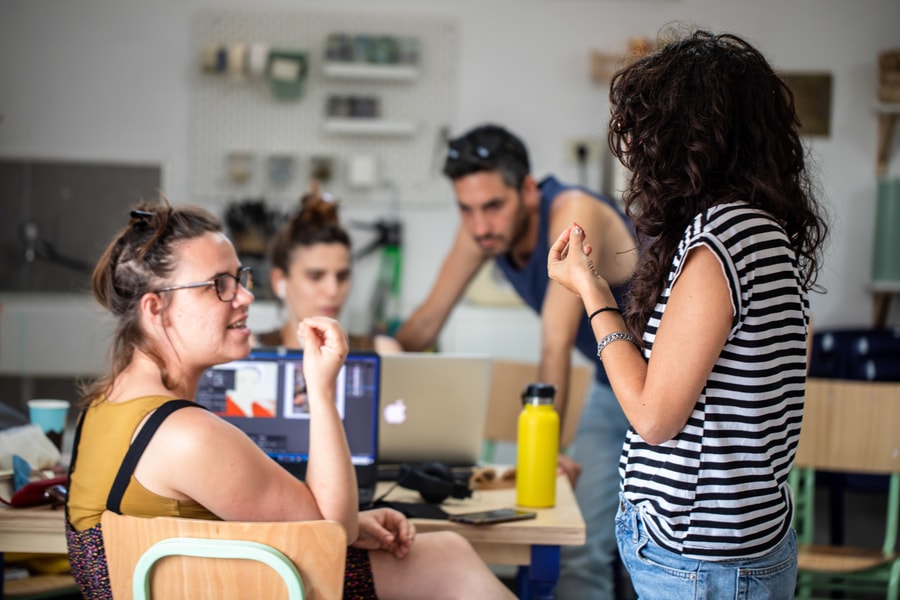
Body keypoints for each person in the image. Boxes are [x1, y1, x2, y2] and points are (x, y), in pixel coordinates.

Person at [64, 200, 515, 600]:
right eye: (218, 284)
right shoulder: (185, 435)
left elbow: (189, 527)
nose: (244, 296)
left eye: (240, 277)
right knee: (447, 557)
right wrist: (319, 389)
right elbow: (328, 536)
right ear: (155, 309)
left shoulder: (103, 407)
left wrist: (353, 524)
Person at [547, 28, 828, 599]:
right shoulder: (767, 233)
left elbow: (653, 417)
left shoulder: (722, 238)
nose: (636, 154)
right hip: (741, 546)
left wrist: (592, 291)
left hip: (702, 560)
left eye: (645, 133)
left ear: (685, 139)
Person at [394, 124, 638, 598]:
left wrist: (549, 458)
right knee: (580, 546)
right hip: (615, 387)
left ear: (527, 189)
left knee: (605, 545)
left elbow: (554, 342)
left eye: (492, 206)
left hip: (679, 388)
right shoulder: (485, 232)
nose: (480, 225)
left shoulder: (572, 215)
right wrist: (366, 365)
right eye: (466, 209)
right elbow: (426, 322)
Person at [256, 182, 402, 353]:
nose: (333, 291)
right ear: (279, 280)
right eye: (315, 276)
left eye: (342, 276)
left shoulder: (381, 353)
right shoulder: (250, 352)